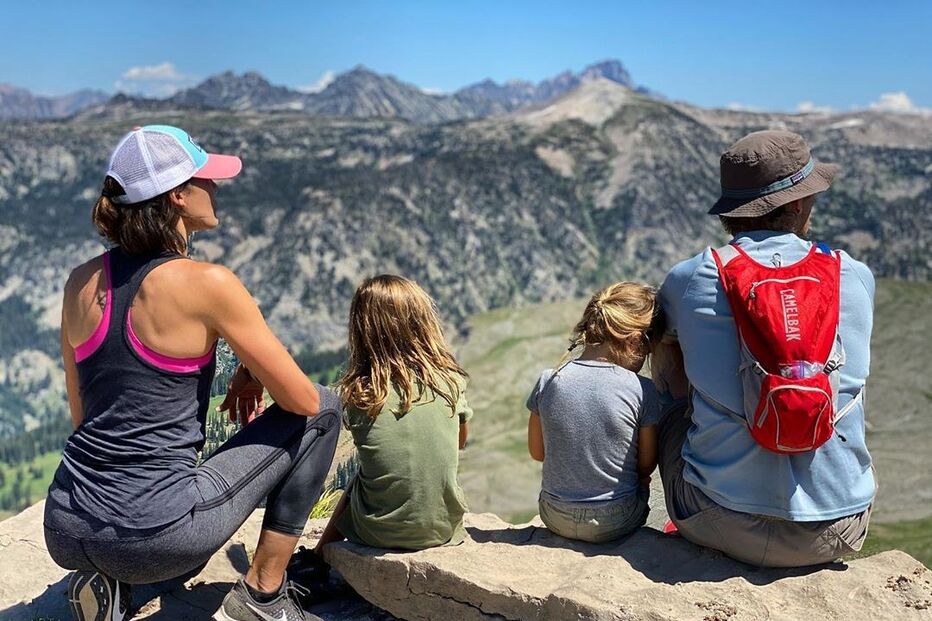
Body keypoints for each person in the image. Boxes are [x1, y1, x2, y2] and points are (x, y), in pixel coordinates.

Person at [44, 125, 340, 621]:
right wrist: (254, 369)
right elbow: (303, 403)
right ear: (177, 196)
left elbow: (82, 416)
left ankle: (112, 582)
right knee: (326, 408)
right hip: (154, 534)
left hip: (65, 524)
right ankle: (263, 595)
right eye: (205, 178)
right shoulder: (209, 283)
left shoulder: (80, 282)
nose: (216, 187)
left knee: (173, 527)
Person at [653, 130, 875, 567]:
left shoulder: (689, 277)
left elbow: (669, 358)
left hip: (720, 520)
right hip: (840, 527)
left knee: (667, 347)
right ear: (796, 204)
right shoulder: (853, 274)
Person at [311, 274, 472, 557]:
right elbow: (460, 442)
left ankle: (320, 555)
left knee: (358, 482)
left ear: (362, 329)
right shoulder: (450, 381)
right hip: (442, 530)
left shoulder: (360, 394)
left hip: (376, 532)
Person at [525, 282, 662, 543]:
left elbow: (538, 453)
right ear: (634, 340)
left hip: (554, 516)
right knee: (642, 481)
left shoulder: (549, 379)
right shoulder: (642, 389)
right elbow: (646, 465)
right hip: (617, 520)